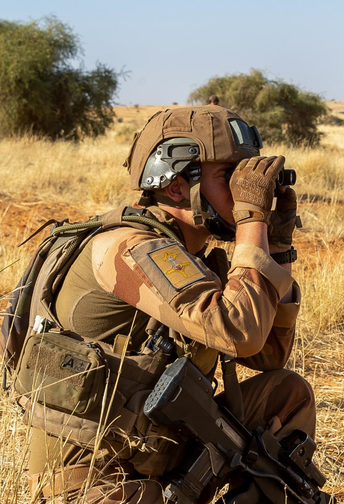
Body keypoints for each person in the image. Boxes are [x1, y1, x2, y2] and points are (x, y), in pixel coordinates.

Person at [15, 105, 313, 503]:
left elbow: (269, 354)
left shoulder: (190, 255)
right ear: (176, 187)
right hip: (95, 482)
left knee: (287, 393)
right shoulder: (131, 248)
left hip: (161, 458)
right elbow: (240, 332)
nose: (246, 191)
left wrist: (274, 244)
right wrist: (251, 221)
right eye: (229, 177)